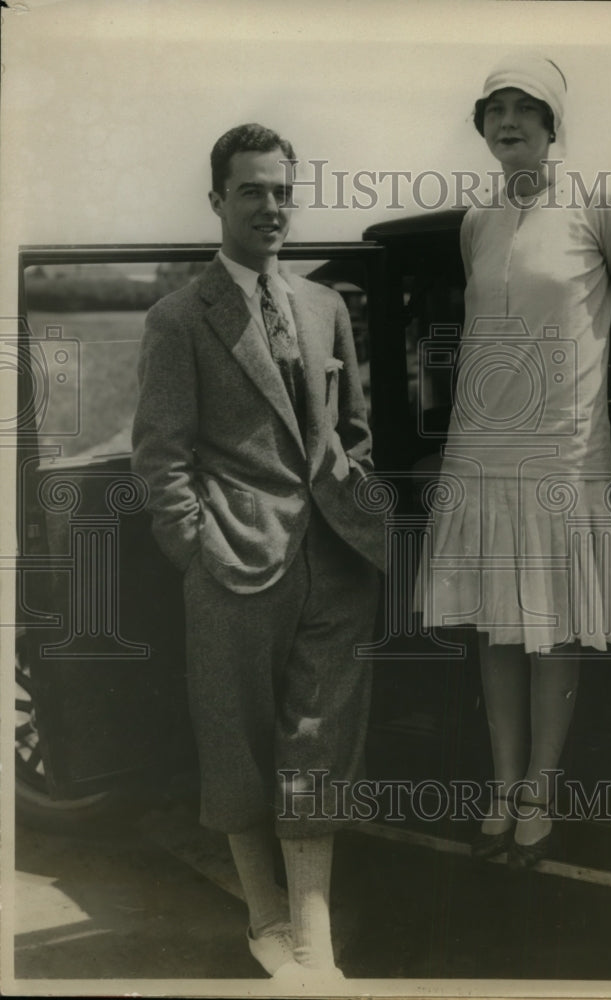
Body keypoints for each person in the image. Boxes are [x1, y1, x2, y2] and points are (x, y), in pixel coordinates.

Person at [417, 53, 611, 868]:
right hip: (483, 446)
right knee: (495, 623)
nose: (509, 121)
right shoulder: (474, 222)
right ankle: (498, 787)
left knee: (548, 622)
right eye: (494, 109)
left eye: (527, 107)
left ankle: (540, 792)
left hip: (561, 447)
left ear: (553, 126)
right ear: (481, 126)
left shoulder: (598, 200)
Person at [132, 123, 384, 983]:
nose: (271, 207)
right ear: (217, 200)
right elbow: (159, 454)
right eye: (252, 191)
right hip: (232, 562)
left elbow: (355, 433)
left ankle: (312, 936)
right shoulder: (177, 317)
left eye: (282, 190)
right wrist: (195, 548)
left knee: (320, 742)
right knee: (237, 744)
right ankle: (264, 919)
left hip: (337, 564)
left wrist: (356, 509)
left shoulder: (325, 305)